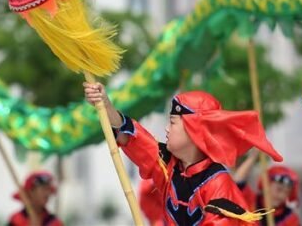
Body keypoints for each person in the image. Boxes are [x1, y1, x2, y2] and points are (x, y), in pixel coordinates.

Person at [84, 83, 283, 225]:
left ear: (193, 130)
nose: (167, 129)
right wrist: (106, 105)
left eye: (172, 122)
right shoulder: (170, 168)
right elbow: (135, 139)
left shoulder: (218, 184)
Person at [234, 150, 302, 225]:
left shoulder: (291, 218)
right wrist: (253, 157)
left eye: (286, 192)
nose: (281, 195)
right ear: (267, 185)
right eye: (279, 189)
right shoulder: (251, 200)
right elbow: (238, 181)